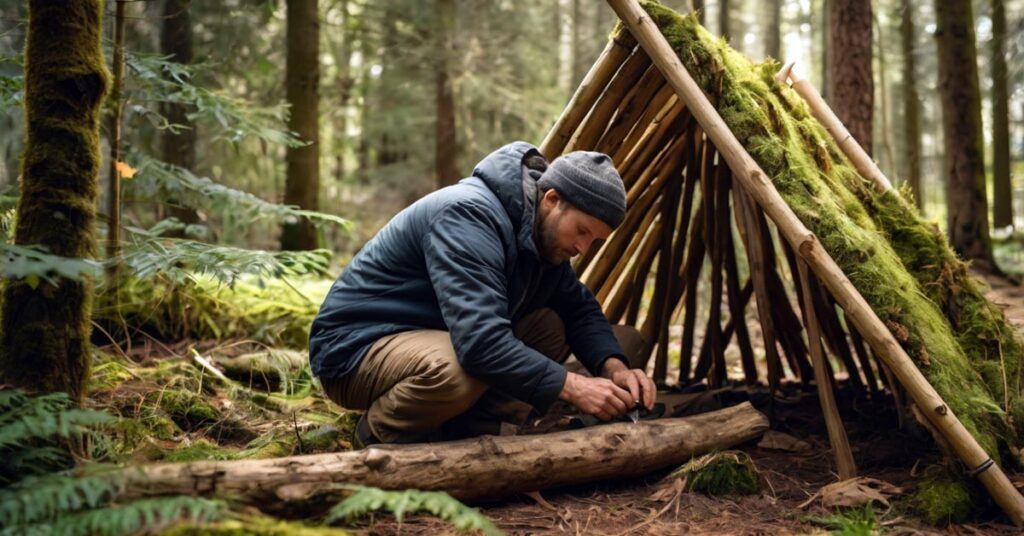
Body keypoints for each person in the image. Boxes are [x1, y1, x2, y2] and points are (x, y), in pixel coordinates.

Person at [309, 141, 657, 447]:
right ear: (552, 200)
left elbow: (578, 308)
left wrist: (614, 368)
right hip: (355, 349)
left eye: (594, 240)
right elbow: (480, 344)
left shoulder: (540, 236)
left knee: (550, 324)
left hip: (428, 339)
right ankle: (379, 436)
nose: (583, 247)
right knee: (458, 369)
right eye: (581, 231)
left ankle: (470, 429)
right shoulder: (468, 216)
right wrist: (575, 387)